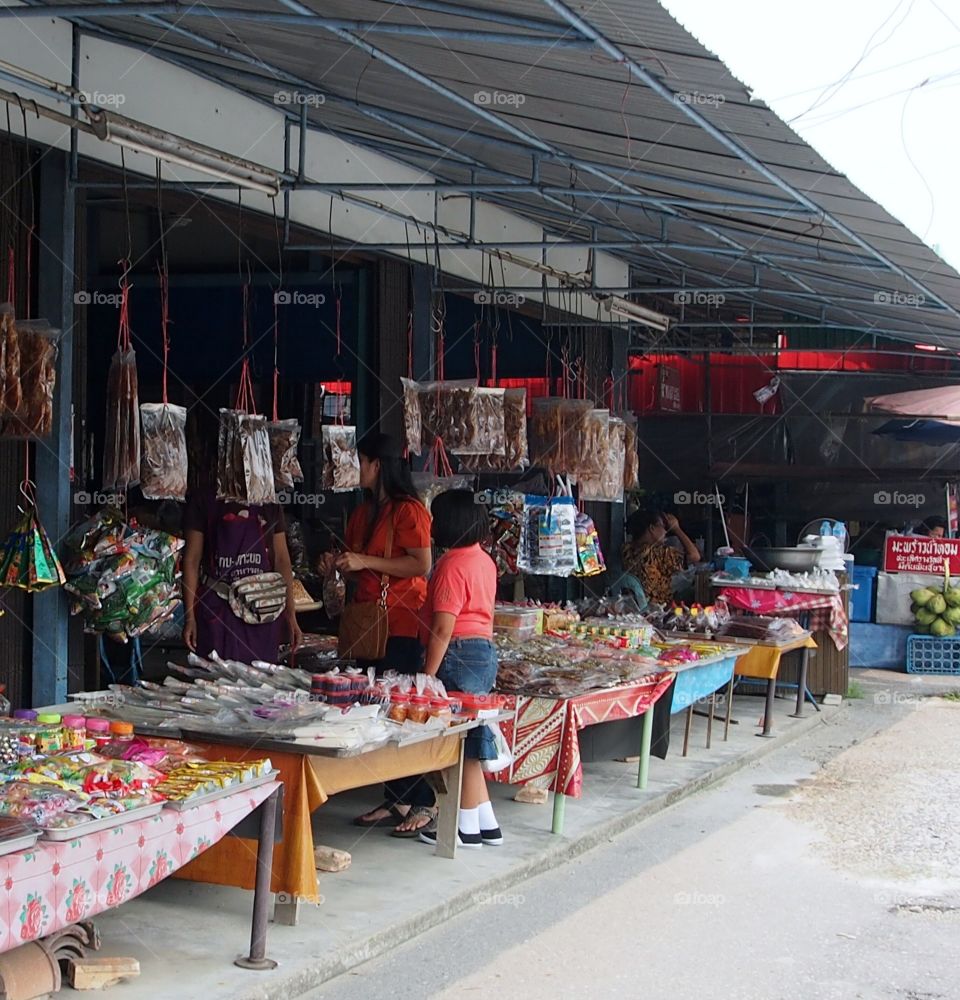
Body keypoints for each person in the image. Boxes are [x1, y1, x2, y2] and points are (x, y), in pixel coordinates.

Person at [318, 431, 434, 834]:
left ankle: (422, 799)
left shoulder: (409, 511)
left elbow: (420, 565)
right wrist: (336, 564)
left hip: (401, 624)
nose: (358, 468)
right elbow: (359, 565)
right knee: (373, 711)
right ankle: (397, 796)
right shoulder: (364, 513)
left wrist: (363, 559)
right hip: (369, 622)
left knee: (397, 712)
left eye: (362, 460)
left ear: (378, 465)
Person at [414, 490, 502, 849]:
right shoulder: (484, 560)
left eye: (436, 517)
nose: (433, 525)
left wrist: (427, 675)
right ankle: (483, 821)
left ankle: (462, 827)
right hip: (482, 651)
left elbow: (442, 628)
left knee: (458, 739)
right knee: (473, 734)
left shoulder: (452, 564)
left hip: (458, 652)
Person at [181, 459, 302, 665]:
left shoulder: (268, 500)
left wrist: (291, 615)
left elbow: (282, 560)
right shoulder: (204, 499)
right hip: (219, 611)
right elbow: (191, 560)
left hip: (263, 613)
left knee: (261, 688)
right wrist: (190, 616)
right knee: (215, 688)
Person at [622, 510, 701, 606]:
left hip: (634, 605)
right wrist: (676, 529)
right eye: (663, 527)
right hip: (657, 607)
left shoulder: (626, 549)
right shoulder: (658, 553)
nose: (665, 532)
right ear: (652, 528)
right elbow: (695, 556)